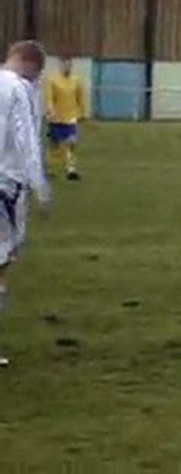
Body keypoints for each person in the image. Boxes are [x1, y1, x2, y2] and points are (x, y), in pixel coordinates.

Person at [0, 41, 51, 367]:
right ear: (33, 67)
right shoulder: (19, 90)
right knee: (2, 259)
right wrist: (41, 187)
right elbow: (26, 140)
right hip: (5, 185)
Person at [43, 56, 86, 180]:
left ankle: (71, 169)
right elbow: (49, 98)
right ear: (60, 66)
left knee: (71, 142)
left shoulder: (76, 81)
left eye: (69, 65)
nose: (67, 67)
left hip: (70, 118)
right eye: (65, 65)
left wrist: (82, 113)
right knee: (55, 145)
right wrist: (50, 111)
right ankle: (50, 168)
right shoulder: (53, 80)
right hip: (56, 118)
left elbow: (80, 98)